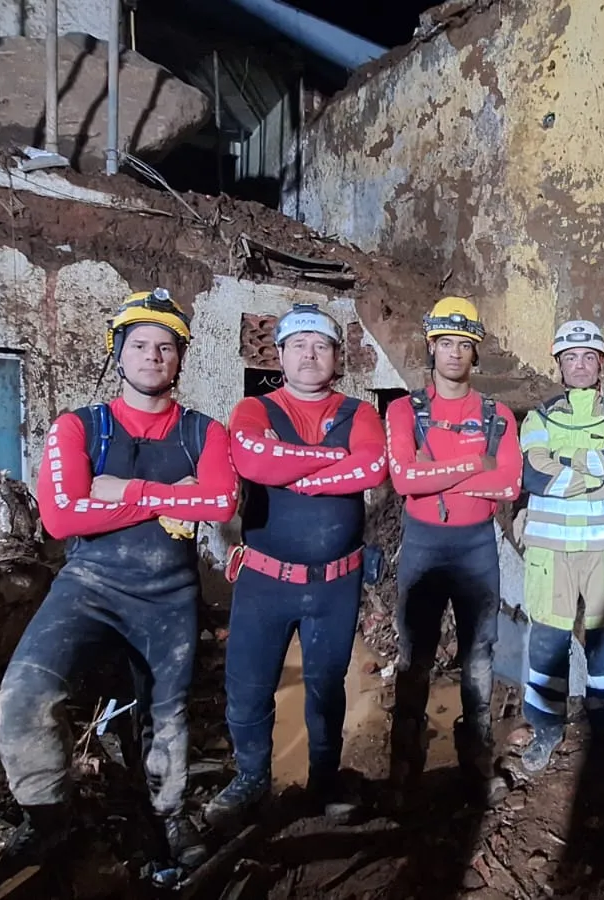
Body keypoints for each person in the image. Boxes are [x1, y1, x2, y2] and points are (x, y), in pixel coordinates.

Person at [0, 289, 239, 871]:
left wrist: (117, 490)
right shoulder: (79, 427)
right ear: (118, 353)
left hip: (169, 595)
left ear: (180, 358)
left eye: (165, 347)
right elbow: (60, 518)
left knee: (167, 715)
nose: (152, 356)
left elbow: (221, 502)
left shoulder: (204, 432)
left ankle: (169, 815)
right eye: (140, 345)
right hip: (89, 587)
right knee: (24, 695)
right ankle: (50, 818)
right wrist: (167, 497)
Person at [204, 304, 387, 833]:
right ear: (280, 356)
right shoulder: (254, 409)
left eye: (321, 346)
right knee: (249, 686)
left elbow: (372, 467)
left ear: (337, 357)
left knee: (327, 688)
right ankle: (251, 779)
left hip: (336, 584)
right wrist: (333, 459)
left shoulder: (359, 412)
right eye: (299, 345)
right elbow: (254, 461)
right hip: (266, 581)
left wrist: (293, 469)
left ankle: (323, 781)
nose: (310, 355)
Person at [384, 297, 521, 804]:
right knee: (414, 655)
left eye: (464, 344)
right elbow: (404, 479)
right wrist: (474, 465)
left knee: (479, 655)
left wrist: (437, 473)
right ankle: (405, 768)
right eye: (446, 343)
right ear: (432, 347)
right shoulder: (404, 410)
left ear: (475, 352)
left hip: (475, 546)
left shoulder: (496, 414)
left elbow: (508, 485)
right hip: (424, 544)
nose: (455, 353)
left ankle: (477, 762)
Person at [515, 321, 604, 772]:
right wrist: (595, 471)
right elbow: (532, 473)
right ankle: (545, 729)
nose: (580, 365)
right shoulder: (539, 417)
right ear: (559, 365)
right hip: (550, 552)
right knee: (547, 642)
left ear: (601, 363)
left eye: (589, 357)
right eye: (570, 357)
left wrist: (565, 462)